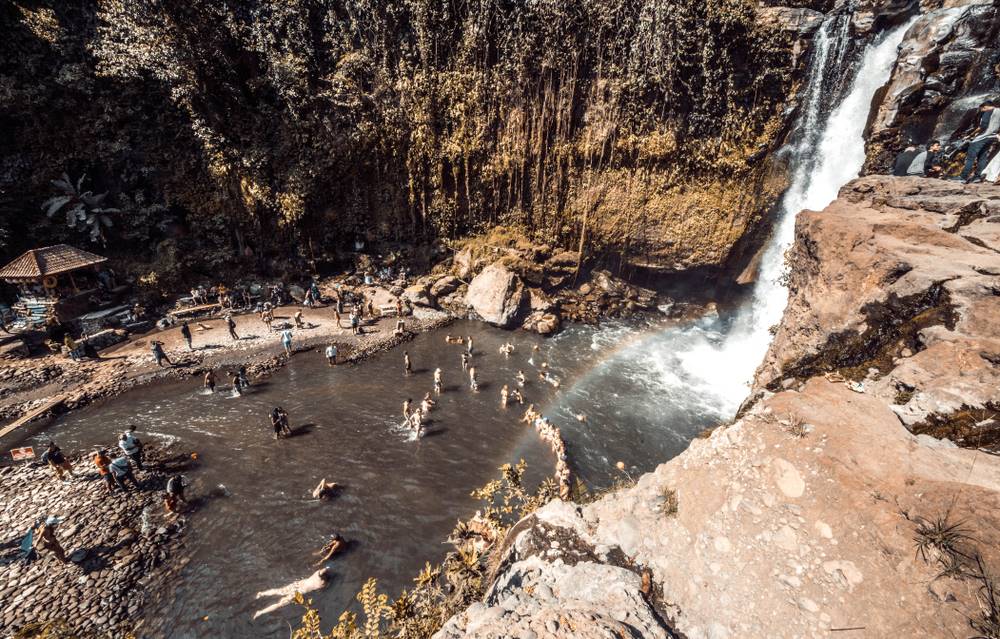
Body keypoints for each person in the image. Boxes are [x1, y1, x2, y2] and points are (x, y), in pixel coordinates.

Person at [960, 100, 1000, 183]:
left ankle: (963, 177)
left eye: (982, 110)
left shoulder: (988, 112)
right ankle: (978, 177)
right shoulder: (999, 111)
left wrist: (970, 135)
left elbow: (983, 126)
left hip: (982, 137)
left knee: (970, 157)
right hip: (992, 137)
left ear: (985, 107)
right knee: (982, 157)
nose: (982, 112)